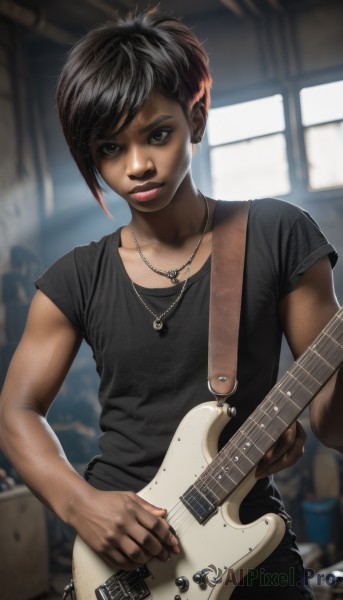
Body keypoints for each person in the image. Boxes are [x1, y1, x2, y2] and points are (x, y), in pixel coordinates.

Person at [0, 8, 342, 599]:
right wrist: (81, 505)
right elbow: (16, 412)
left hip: (248, 535)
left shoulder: (279, 233)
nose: (137, 166)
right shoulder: (74, 277)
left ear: (197, 117)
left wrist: (298, 427)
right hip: (118, 559)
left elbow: (333, 425)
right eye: (110, 148)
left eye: (157, 133)